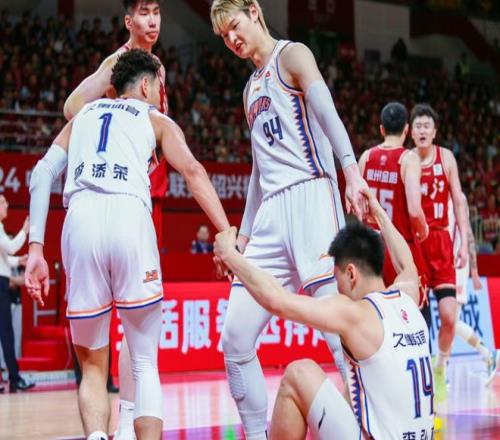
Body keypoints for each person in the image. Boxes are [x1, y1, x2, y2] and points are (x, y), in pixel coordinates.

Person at [26, 49, 231, 440]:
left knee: (92, 368)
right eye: (161, 87)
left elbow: (41, 174)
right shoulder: (155, 119)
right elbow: (193, 171)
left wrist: (36, 248)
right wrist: (225, 231)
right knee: (144, 363)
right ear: (146, 85)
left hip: (81, 219)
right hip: (129, 216)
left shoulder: (83, 116)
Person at [210, 1, 368, 438]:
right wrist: (243, 235)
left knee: (337, 331)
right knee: (235, 338)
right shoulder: (249, 89)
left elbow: (328, 112)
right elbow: (259, 169)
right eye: (224, 36)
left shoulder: (293, 55)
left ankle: (369, 429)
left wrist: (351, 170)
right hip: (270, 214)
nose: (232, 39)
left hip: (312, 195)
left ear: (254, 11)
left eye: (234, 26)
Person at [213, 188, 434, 440]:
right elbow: (407, 264)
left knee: (299, 373)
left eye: (337, 279)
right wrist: (379, 212)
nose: (337, 288)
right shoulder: (407, 297)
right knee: (350, 393)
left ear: (351, 274)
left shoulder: (355, 314)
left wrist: (230, 255)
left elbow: (277, 300)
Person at [64, 2, 167, 437]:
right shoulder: (117, 64)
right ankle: (123, 420)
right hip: (113, 197)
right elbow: (72, 105)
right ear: (128, 21)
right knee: (129, 327)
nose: (152, 20)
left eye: (157, 12)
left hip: (144, 192)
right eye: (143, 13)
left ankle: (126, 418)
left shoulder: (156, 67)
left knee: (137, 327)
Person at [411, 103, 468, 402]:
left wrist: (464, 246)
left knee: (448, 317)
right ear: (411, 132)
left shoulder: (446, 158)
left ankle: (441, 367)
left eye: (426, 126)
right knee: (420, 321)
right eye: (418, 126)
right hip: (416, 245)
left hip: (442, 242)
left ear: (434, 132)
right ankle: (421, 378)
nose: (422, 130)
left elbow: (458, 201)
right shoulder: (406, 160)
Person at [359, 102, 428, 301]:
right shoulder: (409, 159)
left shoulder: (366, 157)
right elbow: (414, 211)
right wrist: (423, 229)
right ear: (406, 129)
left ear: (381, 129)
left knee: (375, 310)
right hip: (400, 249)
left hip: (371, 251)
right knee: (412, 311)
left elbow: (358, 209)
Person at [449, 194, 499, 384]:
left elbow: (469, 235)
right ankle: (487, 354)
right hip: (445, 264)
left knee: (451, 320)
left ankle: (486, 354)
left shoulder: (458, 198)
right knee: (450, 321)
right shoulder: (436, 190)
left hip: (458, 265)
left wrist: (475, 272)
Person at [0, 195, 35, 393]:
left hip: (2, 281)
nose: (7, 205)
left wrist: (18, 260)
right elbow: (11, 248)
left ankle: (13, 377)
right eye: (3, 202)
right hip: (1, 284)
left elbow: (4, 258)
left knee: (5, 333)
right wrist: (24, 231)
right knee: (6, 333)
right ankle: (14, 378)